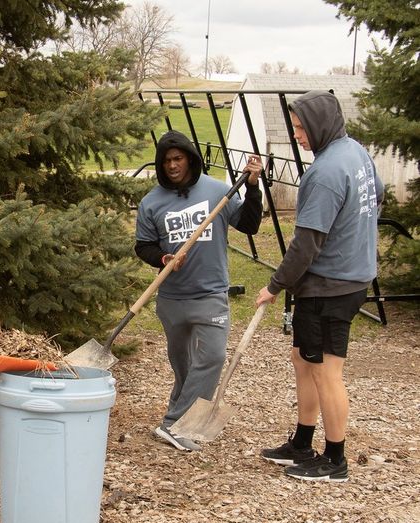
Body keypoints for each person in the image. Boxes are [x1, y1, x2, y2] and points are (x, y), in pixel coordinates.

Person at [256, 90, 383, 482]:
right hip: (342, 278)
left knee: (326, 371)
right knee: (303, 360)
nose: (296, 135)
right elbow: (377, 199)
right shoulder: (355, 152)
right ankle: (302, 441)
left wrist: (275, 286)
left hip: (332, 285)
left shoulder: (325, 173)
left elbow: (306, 244)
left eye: (300, 128)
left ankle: (335, 460)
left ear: (319, 125)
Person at [135, 130, 263, 452]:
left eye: (178, 159)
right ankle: (180, 417)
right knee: (183, 364)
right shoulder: (151, 202)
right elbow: (143, 246)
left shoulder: (217, 190)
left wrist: (252, 186)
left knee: (213, 357)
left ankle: (175, 425)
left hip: (210, 294)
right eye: (166, 161)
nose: (172, 166)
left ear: (190, 159)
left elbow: (249, 225)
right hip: (172, 299)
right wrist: (163, 258)